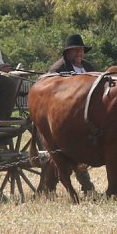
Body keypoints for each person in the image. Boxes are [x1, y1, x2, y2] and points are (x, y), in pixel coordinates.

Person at [48, 34, 97, 195]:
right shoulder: (58, 70)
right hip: (66, 116)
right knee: (73, 153)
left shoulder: (88, 67)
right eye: (76, 50)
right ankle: (88, 187)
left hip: (86, 116)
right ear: (68, 53)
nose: (79, 54)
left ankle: (48, 188)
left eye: (81, 50)